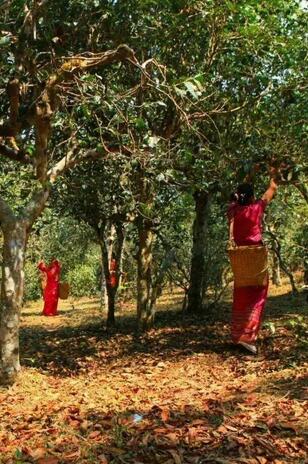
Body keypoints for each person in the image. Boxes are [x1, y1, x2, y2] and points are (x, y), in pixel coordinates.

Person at [227, 172, 278, 354]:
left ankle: (238, 334)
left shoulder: (233, 210)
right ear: (252, 196)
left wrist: (250, 170)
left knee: (241, 294)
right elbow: (272, 188)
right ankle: (249, 337)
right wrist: (274, 170)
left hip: (240, 258)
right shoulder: (256, 207)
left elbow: (238, 195)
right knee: (257, 295)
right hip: (256, 256)